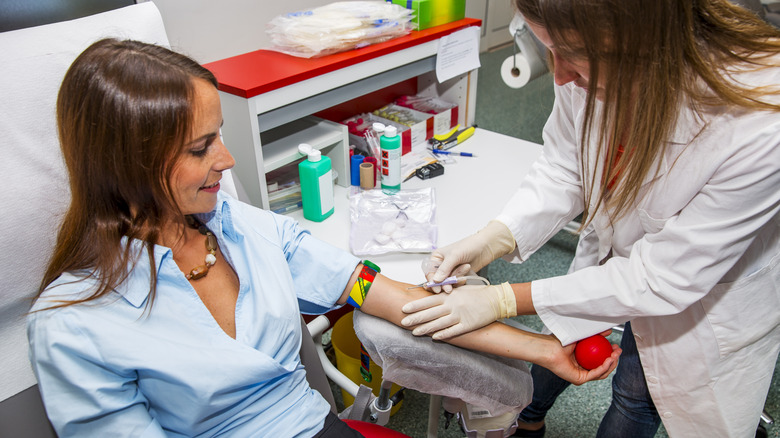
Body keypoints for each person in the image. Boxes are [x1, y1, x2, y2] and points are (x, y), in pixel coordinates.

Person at [26, 38, 620, 437]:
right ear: (129, 164)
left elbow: (380, 293)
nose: (227, 161)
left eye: (221, 136)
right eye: (201, 147)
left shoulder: (253, 231)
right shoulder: (74, 323)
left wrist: (544, 348)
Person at [400, 0, 780, 437]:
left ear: (644, 42)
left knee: (636, 393)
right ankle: (529, 420)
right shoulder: (585, 62)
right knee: (564, 340)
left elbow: (661, 279)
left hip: (703, 294)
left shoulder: (759, 118)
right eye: (549, 49)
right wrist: (495, 238)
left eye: (573, 54)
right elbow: (566, 165)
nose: (559, 76)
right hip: (620, 259)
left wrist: (503, 300)